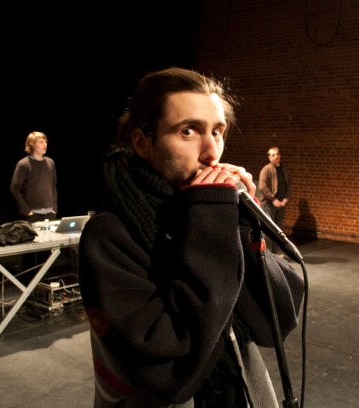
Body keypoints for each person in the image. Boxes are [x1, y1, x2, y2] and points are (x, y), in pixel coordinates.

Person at [77, 67, 305, 407]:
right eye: (188, 131)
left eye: (217, 131)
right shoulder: (110, 233)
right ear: (142, 142)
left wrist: (241, 220)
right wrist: (211, 221)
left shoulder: (213, 212)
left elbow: (278, 319)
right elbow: (169, 372)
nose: (212, 151)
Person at [10, 131, 58, 222]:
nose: (45, 144)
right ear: (32, 145)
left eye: (45, 142)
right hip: (33, 214)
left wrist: (54, 208)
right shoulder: (24, 164)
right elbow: (15, 188)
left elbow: (53, 186)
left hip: (50, 214)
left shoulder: (50, 162)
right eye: (41, 142)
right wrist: (27, 211)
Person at [258, 146, 291, 254]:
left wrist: (286, 198)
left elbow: (288, 185)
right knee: (268, 228)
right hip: (269, 203)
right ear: (269, 157)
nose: (276, 156)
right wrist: (273, 199)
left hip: (281, 203)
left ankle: (276, 252)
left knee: (278, 229)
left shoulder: (284, 170)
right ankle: (267, 253)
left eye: (277, 154)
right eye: (273, 155)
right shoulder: (266, 169)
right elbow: (262, 186)